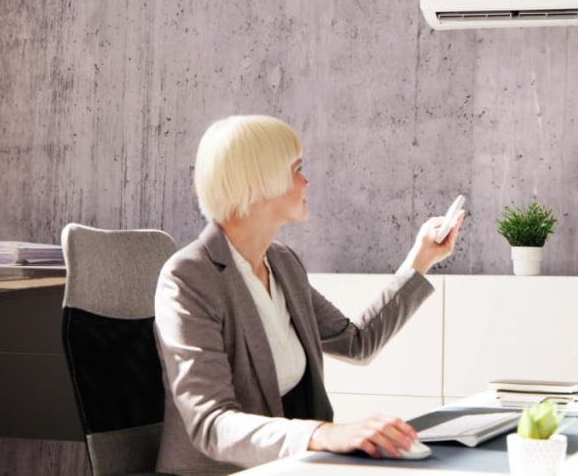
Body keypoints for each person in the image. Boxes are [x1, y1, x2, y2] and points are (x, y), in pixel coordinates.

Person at [153, 115, 464, 474]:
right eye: (296, 169)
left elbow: (356, 343)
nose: (306, 180)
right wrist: (323, 434)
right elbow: (212, 425)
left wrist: (421, 259)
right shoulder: (188, 278)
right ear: (259, 184)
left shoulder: (282, 263)